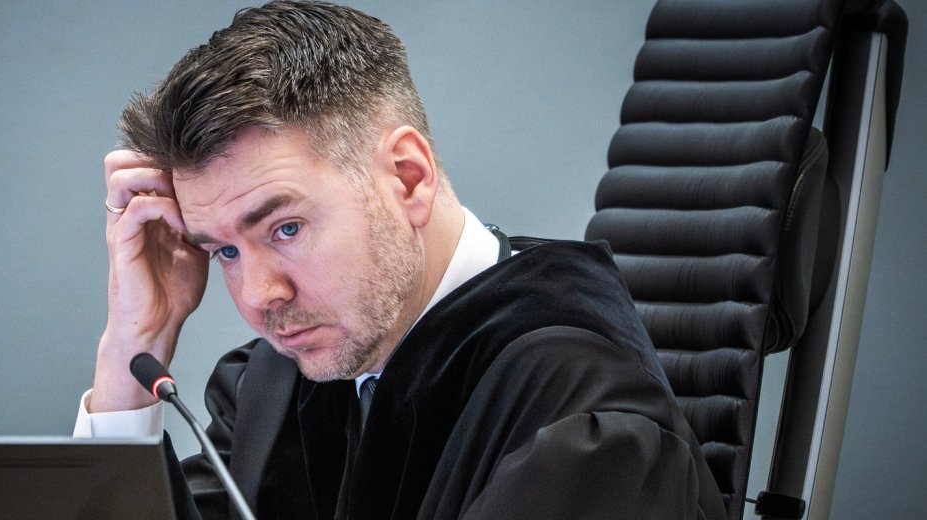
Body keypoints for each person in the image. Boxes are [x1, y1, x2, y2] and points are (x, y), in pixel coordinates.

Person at [74, 2, 728, 519]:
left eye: (286, 228)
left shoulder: (583, 423)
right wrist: (133, 345)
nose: (258, 295)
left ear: (408, 178)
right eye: (224, 250)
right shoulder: (277, 387)